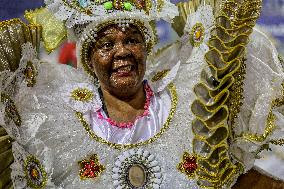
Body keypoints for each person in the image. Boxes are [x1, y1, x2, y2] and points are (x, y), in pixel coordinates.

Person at [0, 0, 284, 188]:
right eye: (107, 44)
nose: (122, 51)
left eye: (132, 40)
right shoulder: (58, 126)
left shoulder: (188, 108)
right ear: (89, 60)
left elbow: (234, 177)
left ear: (146, 48)